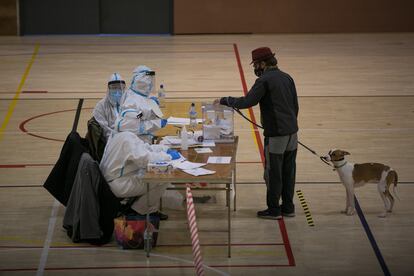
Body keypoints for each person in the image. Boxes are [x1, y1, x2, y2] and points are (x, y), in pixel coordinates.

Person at [215, 47, 299, 220]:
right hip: (292, 133)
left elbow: (248, 101)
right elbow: (295, 105)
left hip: (276, 135)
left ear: (263, 63)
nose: (255, 68)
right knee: (288, 171)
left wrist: (226, 100)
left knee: (273, 172)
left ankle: (274, 210)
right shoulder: (287, 77)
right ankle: (288, 207)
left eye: (256, 64)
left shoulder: (265, 80)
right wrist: (289, 125)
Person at [99, 131, 180, 220]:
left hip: (115, 179)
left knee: (149, 173)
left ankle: (138, 206)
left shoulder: (119, 134)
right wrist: (168, 156)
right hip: (119, 184)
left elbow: (145, 148)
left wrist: (164, 149)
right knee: (162, 178)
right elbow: (145, 159)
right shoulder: (127, 139)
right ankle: (142, 211)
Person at [116, 65, 167, 144]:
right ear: (142, 82)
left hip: (143, 143)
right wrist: (156, 123)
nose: (150, 83)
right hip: (133, 145)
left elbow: (141, 115)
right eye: (149, 80)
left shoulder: (141, 96)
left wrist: (153, 110)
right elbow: (134, 122)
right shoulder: (130, 100)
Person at [92, 73, 126, 140]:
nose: (117, 91)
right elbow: (104, 128)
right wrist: (117, 137)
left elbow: (137, 116)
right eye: (114, 88)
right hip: (110, 141)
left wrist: (144, 113)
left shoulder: (129, 102)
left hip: (130, 137)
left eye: (120, 88)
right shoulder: (101, 106)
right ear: (109, 89)